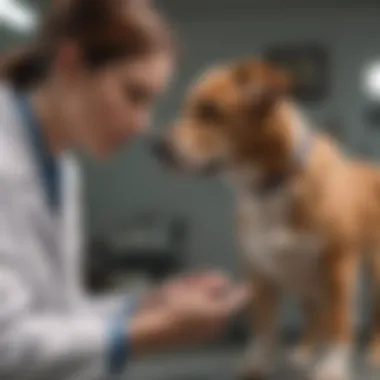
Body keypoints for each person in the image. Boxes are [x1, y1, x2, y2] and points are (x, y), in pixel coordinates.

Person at [0, 1, 250, 379]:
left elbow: (59, 316)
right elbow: (8, 346)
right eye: (134, 95)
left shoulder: (64, 168)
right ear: (72, 64)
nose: (141, 124)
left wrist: (149, 305)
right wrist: (152, 332)